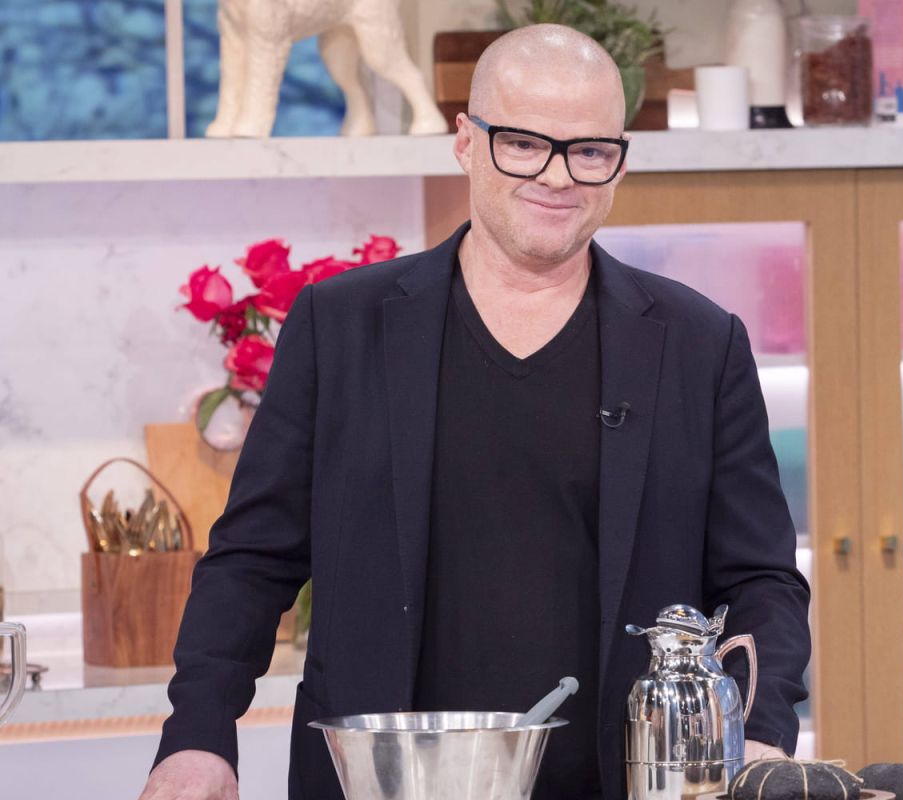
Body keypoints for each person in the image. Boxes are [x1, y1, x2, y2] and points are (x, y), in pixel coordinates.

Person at [139, 24, 810, 800]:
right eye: (522, 144)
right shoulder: (339, 325)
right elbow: (253, 559)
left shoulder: (700, 343)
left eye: (590, 151)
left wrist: (760, 737)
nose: (557, 176)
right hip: (378, 783)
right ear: (465, 142)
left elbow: (760, 580)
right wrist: (197, 737)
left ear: (621, 160)